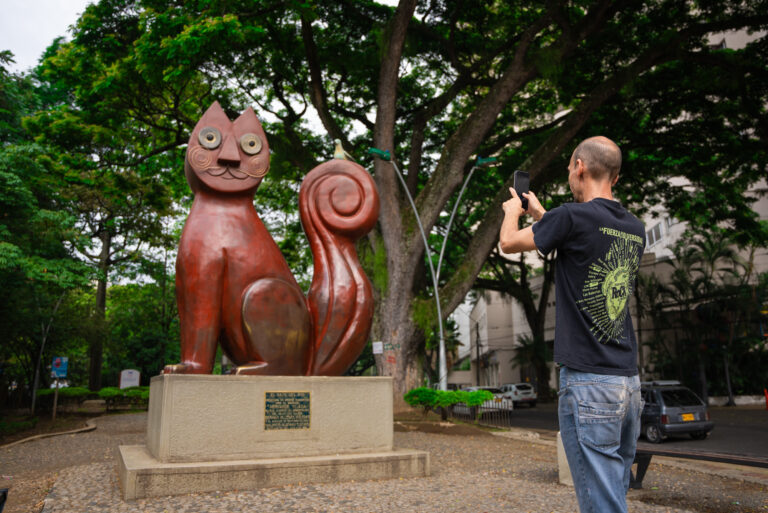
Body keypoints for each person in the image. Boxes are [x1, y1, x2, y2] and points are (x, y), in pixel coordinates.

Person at [499, 136, 645, 513]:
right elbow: (577, 236)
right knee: (613, 492)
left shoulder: (571, 216)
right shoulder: (635, 227)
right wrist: (541, 214)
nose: (568, 174)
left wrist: (512, 211)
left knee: (602, 504)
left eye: (568, 168)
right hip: (627, 384)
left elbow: (509, 243)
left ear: (579, 166)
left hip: (588, 383)